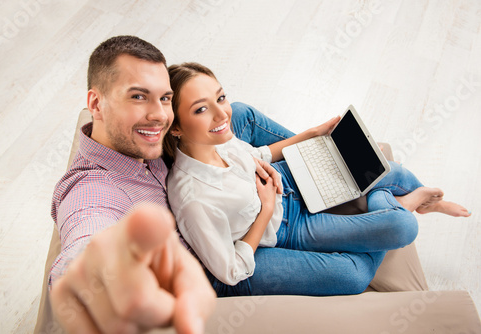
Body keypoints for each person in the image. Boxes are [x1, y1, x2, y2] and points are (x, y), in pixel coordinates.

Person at [48, 35, 325, 333]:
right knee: (350, 277)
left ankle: (322, 150)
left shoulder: (140, 141)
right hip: (217, 256)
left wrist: (240, 155)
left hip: (213, 190)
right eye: (138, 97)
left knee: (241, 113)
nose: (159, 116)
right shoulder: (93, 192)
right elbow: (86, 238)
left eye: (165, 98)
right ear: (96, 104)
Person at [164, 62, 471, 292]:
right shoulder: (193, 200)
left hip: (287, 184)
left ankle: (418, 200)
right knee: (387, 243)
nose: (222, 115)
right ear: (175, 127)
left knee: (388, 169)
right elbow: (230, 271)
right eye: (201, 109)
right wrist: (267, 210)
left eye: (221, 98)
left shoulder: (221, 136)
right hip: (287, 229)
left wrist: (311, 135)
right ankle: (391, 202)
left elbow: (259, 155)